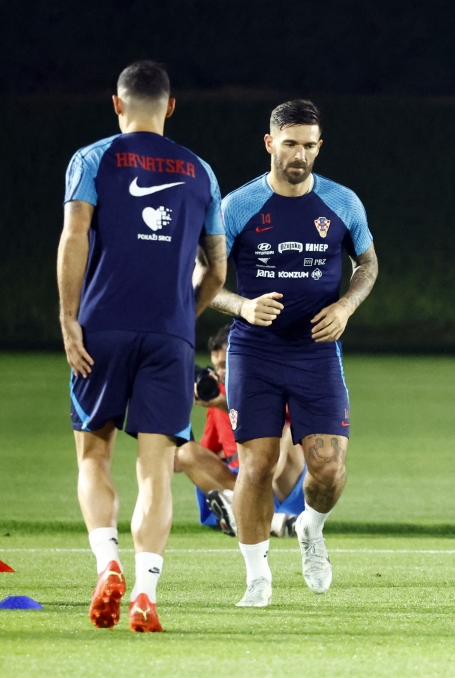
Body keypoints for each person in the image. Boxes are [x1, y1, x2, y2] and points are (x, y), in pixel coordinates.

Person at [58, 61, 227, 631]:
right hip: (169, 335)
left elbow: (75, 234)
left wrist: (67, 317)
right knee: (155, 470)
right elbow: (218, 271)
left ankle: (108, 565)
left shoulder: (92, 158)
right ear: (171, 106)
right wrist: (185, 316)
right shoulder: (201, 171)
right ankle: (146, 592)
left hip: (100, 326)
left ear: (116, 104)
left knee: (94, 454)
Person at [209, 99, 378, 607]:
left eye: (309, 145)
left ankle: (311, 527)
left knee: (327, 468)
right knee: (257, 466)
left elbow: (367, 265)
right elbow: (200, 280)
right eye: (290, 144)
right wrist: (241, 305)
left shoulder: (343, 203)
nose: (299, 154)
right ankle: (257, 575)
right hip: (255, 351)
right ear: (269, 144)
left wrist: (347, 306)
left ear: (319, 145)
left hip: (316, 351)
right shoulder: (236, 207)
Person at [174, 324, 306, 537]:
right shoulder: (217, 397)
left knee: (287, 435)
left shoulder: (272, 382)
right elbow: (203, 456)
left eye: (226, 364)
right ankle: (263, 518)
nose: (220, 372)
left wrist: (225, 404)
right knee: (187, 452)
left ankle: (246, 512)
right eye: (217, 367)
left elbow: (278, 423)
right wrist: (179, 410)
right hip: (241, 481)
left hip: (280, 479)